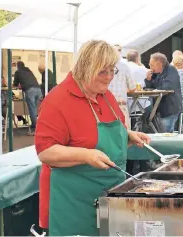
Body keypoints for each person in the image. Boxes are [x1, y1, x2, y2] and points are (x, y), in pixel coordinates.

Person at [35, 40, 150, 236]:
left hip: (111, 197)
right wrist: (87, 155)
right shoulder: (57, 101)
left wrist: (127, 136)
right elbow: (45, 152)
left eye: (112, 71)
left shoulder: (106, 96)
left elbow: (113, 131)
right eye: (102, 72)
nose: (108, 78)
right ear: (85, 68)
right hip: (73, 203)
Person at [145, 52, 183, 132]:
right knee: (162, 131)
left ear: (159, 64)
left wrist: (155, 89)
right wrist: (148, 79)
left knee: (167, 133)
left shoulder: (171, 70)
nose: (150, 67)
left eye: (152, 65)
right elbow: (150, 86)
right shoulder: (157, 73)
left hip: (170, 107)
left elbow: (168, 86)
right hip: (160, 108)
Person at [108, 46, 136, 130]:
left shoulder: (103, 65)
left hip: (106, 104)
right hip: (120, 104)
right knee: (125, 134)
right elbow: (132, 88)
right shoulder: (124, 66)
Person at [13, 61, 43, 135]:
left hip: (30, 91)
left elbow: (15, 84)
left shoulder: (18, 72)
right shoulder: (29, 71)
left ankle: (35, 128)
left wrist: (19, 85)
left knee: (32, 109)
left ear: (17, 66)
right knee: (36, 109)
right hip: (38, 89)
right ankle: (39, 125)